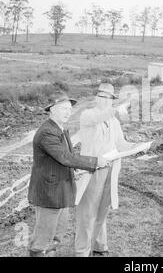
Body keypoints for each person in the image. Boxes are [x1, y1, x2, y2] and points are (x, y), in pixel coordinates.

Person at [27, 92, 109, 257]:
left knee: (57, 234)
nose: (68, 112)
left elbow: (64, 157)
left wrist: (76, 170)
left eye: (69, 108)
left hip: (60, 191)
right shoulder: (47, 132)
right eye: (63, 108)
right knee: (43, 237)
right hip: (49, 194)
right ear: (51, 110)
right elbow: (65, 157)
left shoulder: (60, 129)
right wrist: (94, 162)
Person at [75, 83, 135, 257]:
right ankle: (82, 252)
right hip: (92, 170)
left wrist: (137, 146)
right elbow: (99, 117)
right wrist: (118, 107)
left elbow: (121, 143)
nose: (105, 100)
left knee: (102, 210)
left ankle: (100, 247)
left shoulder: (113, 121)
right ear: (96, 98)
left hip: (110, 169)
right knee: (87, 213)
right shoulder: (88, 115)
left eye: (109, 98)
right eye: (102, 96)